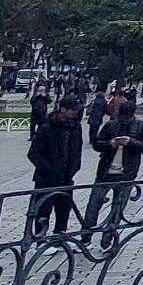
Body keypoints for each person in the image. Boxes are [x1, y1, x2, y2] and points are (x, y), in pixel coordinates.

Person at [84, 93, 143, 248]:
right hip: (105, 172)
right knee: (93, 206)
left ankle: (107, 240)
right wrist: (110, 143)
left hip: (126, 174)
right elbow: (97, 143)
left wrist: (131, 142)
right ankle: (86, 237)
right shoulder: (110, 125)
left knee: (117, 209)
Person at [26, 95, 85, 237]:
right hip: (46, 179)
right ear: (63, 109)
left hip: (66, 178)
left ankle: (60, 236)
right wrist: (50, 169)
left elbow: (77, 150)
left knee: (64, 209)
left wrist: (73, 168)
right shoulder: (46, 127)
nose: (75, 113)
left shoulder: (75, 127)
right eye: (72, 110)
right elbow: (33, 153)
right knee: (43, 210)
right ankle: (40, 238)